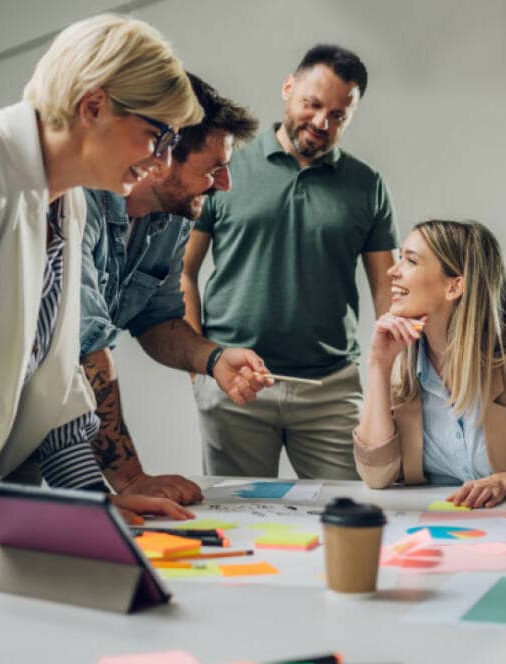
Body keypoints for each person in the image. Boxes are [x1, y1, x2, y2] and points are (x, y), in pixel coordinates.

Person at [0, 14, 203, 560]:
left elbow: (55, 381)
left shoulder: (70, 199)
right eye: (158, 136)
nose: (162, 162)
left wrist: (88, 500)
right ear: (94, 106)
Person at [183, 44, 398, 480]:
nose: (322, 122)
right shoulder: (226, 168)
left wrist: (389, 380)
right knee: (237, 524)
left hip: (331, 389)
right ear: (288, 88)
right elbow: (182, 271)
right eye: (313, 104)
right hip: (236, 383)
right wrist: (200, 366)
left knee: (347, 515)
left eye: (338, 115)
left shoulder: (367, 185)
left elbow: (387, 291)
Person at [80, 73, 267, 506]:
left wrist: (213, 358)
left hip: (51, 431)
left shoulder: (173, 216)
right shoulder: (77, 203)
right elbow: (85, 344)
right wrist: (130, 479)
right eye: (214, 168)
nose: (225, 184)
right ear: (161, 154)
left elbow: (157, 319)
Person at [353, 220, 506, 508]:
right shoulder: (399, 355)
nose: (392, 271)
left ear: (454, 286)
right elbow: (375, 475)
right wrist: (378, 365)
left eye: (410, 261)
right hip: (431, 521)